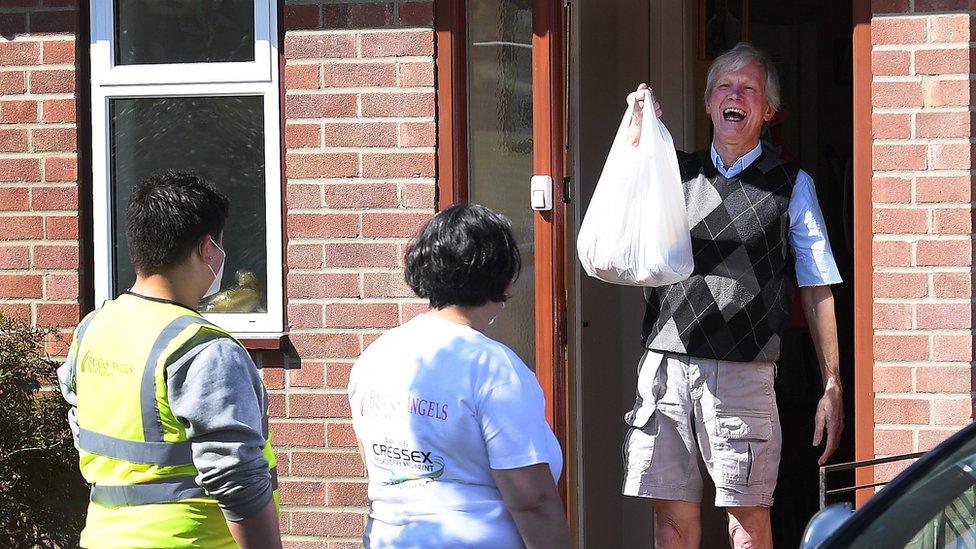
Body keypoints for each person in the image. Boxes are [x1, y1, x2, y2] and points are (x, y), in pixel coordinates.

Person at [623, 42, 844, 549]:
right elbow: (621, 225)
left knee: (746, 528)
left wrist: (832, 383)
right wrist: (640, 141)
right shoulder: (673, 172)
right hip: (667, 366)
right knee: (670, 524)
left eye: (749, 88)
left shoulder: (793, 185)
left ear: (768, 111)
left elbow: (816, 283)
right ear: (708, 102)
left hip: (744, 370)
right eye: (725, 85)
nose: (735, 95)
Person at [57, 171, 282, 549]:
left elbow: (84, 430)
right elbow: (235, 476)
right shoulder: (202, 348)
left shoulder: (91, 330)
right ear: (207, 249)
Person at [348, 203, 571, 548]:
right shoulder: (493, 368)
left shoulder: (374, 356)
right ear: (500, 274)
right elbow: (532, 500)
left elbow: (376, 464)